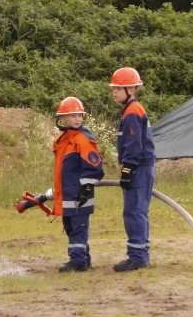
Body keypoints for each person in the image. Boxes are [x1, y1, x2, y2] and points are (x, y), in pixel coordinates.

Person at [38, 96, 104, 272]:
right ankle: (83, 258)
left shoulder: (82, 139)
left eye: (79, 115)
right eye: (73, 115)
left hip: (79, 195)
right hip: (67, 194)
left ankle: (78, 261)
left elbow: (95, 167)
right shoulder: (63, 140)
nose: (77, 119)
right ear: (63, 119)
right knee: (70, 227)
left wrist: (86, 188)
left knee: (77, 228)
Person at [110, 67, 156, 272]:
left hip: (138, 168)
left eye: (118, 88)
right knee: (138, 211)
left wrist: (127, 169)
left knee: (134, 212)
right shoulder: (132, 109)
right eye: (114, 88)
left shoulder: (132, 112)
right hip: (141, 167)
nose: (114, 92)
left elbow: (134, 145)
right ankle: (141, 253)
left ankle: (137, 257)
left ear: (130, 88)